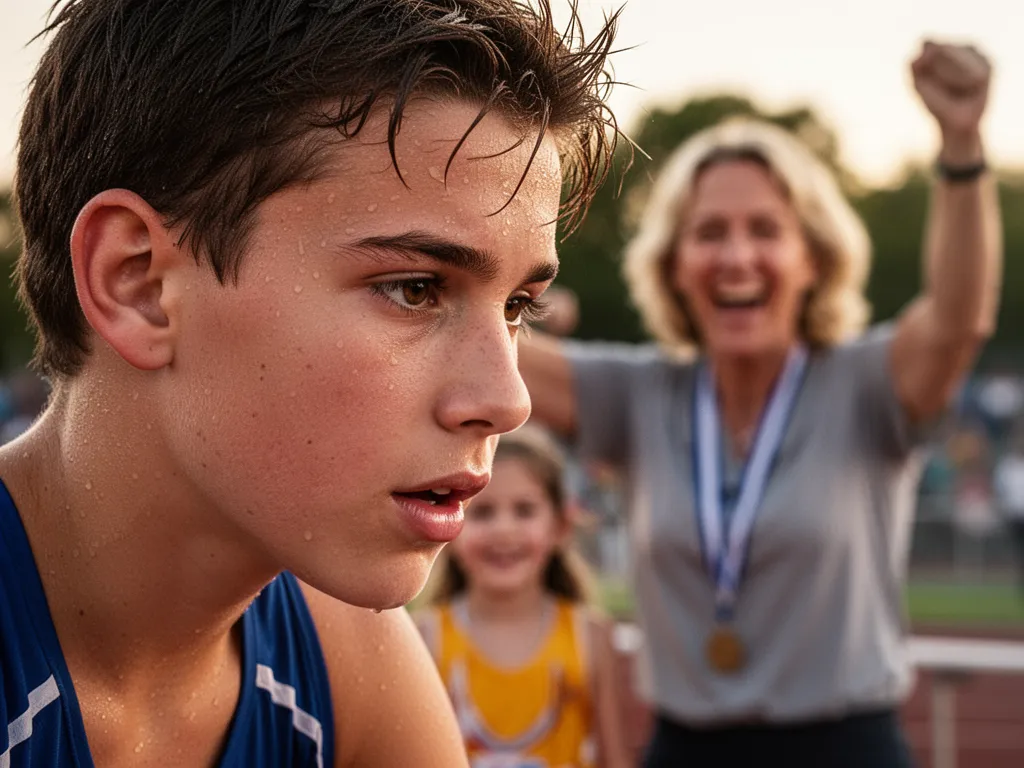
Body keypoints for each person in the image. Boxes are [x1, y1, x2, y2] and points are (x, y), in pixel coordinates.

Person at [0, 1, 620, 765]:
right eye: (415, 288)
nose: (508, 400)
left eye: (520, 306)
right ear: (138, 283)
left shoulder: (353, 670)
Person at [520, 41, 1001, 767]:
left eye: (765, 230)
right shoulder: (638, 392)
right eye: (709, 232)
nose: (736, 257)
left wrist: (961, 147)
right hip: (684, 747)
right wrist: (506, 296)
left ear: (814, 258)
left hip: (845, 747)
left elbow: (961, 317)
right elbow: (477, 349)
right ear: (674, 266)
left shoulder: (866, 382)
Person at [416, 426, 633, 768]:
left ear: (560, 528)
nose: (504, 529)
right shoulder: (424, 640)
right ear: (450, 525)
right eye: (483, 512)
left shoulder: (590, 636)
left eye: (525, 510)